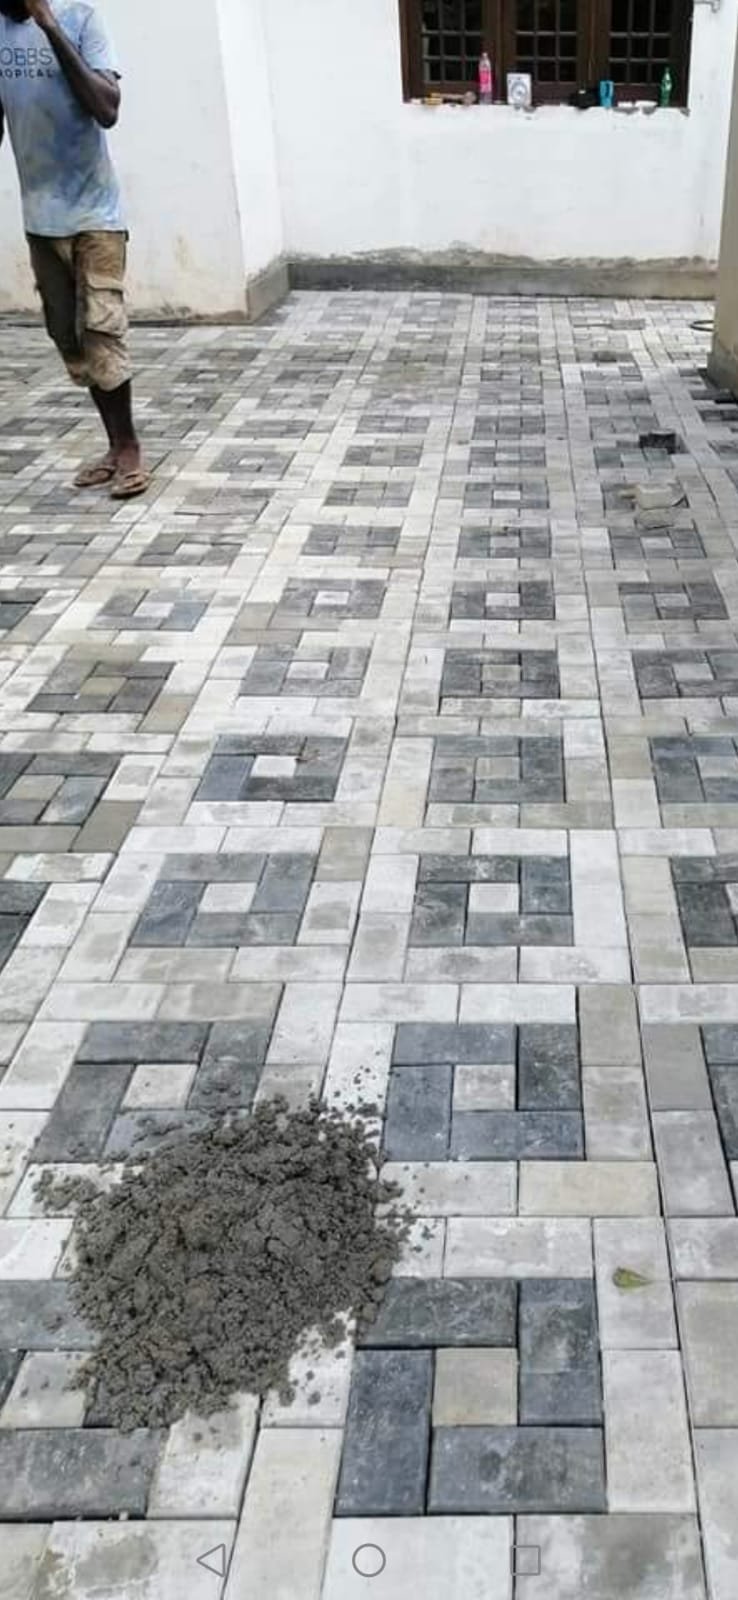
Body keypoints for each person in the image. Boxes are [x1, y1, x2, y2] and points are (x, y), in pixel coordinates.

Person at [0, 0, 148, 497]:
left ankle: (129, 449)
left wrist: (49, 26)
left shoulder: (79, 18)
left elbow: (107, 109)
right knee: (70, 339)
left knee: (102, 329)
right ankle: (114, 446)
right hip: (40, 217)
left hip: (95, 214)